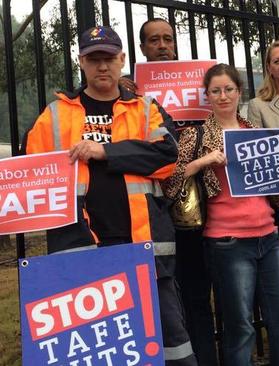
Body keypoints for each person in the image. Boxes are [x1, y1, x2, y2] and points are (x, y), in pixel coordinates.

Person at [23, 26, 197, 365]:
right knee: (101, 347)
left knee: (170, 343)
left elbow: (167, 157)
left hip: (144, 246)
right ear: (81, 62)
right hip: (82, 247)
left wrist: (105, 152)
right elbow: (32, 176)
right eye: (94, 59)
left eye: (108, 58)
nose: (102, 66)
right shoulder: (54, 115)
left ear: (122, 60)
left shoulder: (146, 108)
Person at [164, 63, 279, 366]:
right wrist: (202, 161)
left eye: (229, 89)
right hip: (227, 242)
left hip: (268, 238)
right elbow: (169, 182)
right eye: (216, 91)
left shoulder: (256, 132)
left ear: (239, 92)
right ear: (207, 95)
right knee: (240, 327)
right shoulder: (194, 136)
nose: (223, 96)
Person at [131, 17, 219, 366]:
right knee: (159, 297)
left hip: (199, 210)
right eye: (154, 40)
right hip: (151, 211)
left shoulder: (200, 90)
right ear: (142, 48)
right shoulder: (129, 96)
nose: (163, 45)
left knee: (199, 295)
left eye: (168, 38)